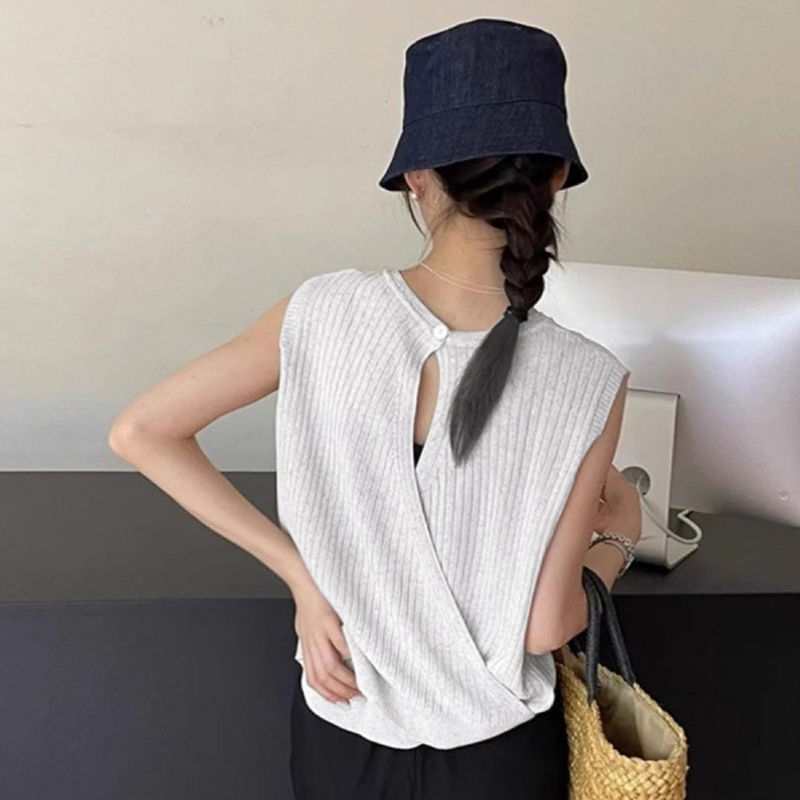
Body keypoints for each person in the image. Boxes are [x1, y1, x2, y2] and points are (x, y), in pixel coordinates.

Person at [109, 17, 642, 800]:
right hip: (497, 756)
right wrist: (621, 536)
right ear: (557, 176)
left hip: (344, 725)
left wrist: (301, 576)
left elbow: (141, 432)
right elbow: (546, 625)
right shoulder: (589, 379)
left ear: (416, 178)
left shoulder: (320, 314)